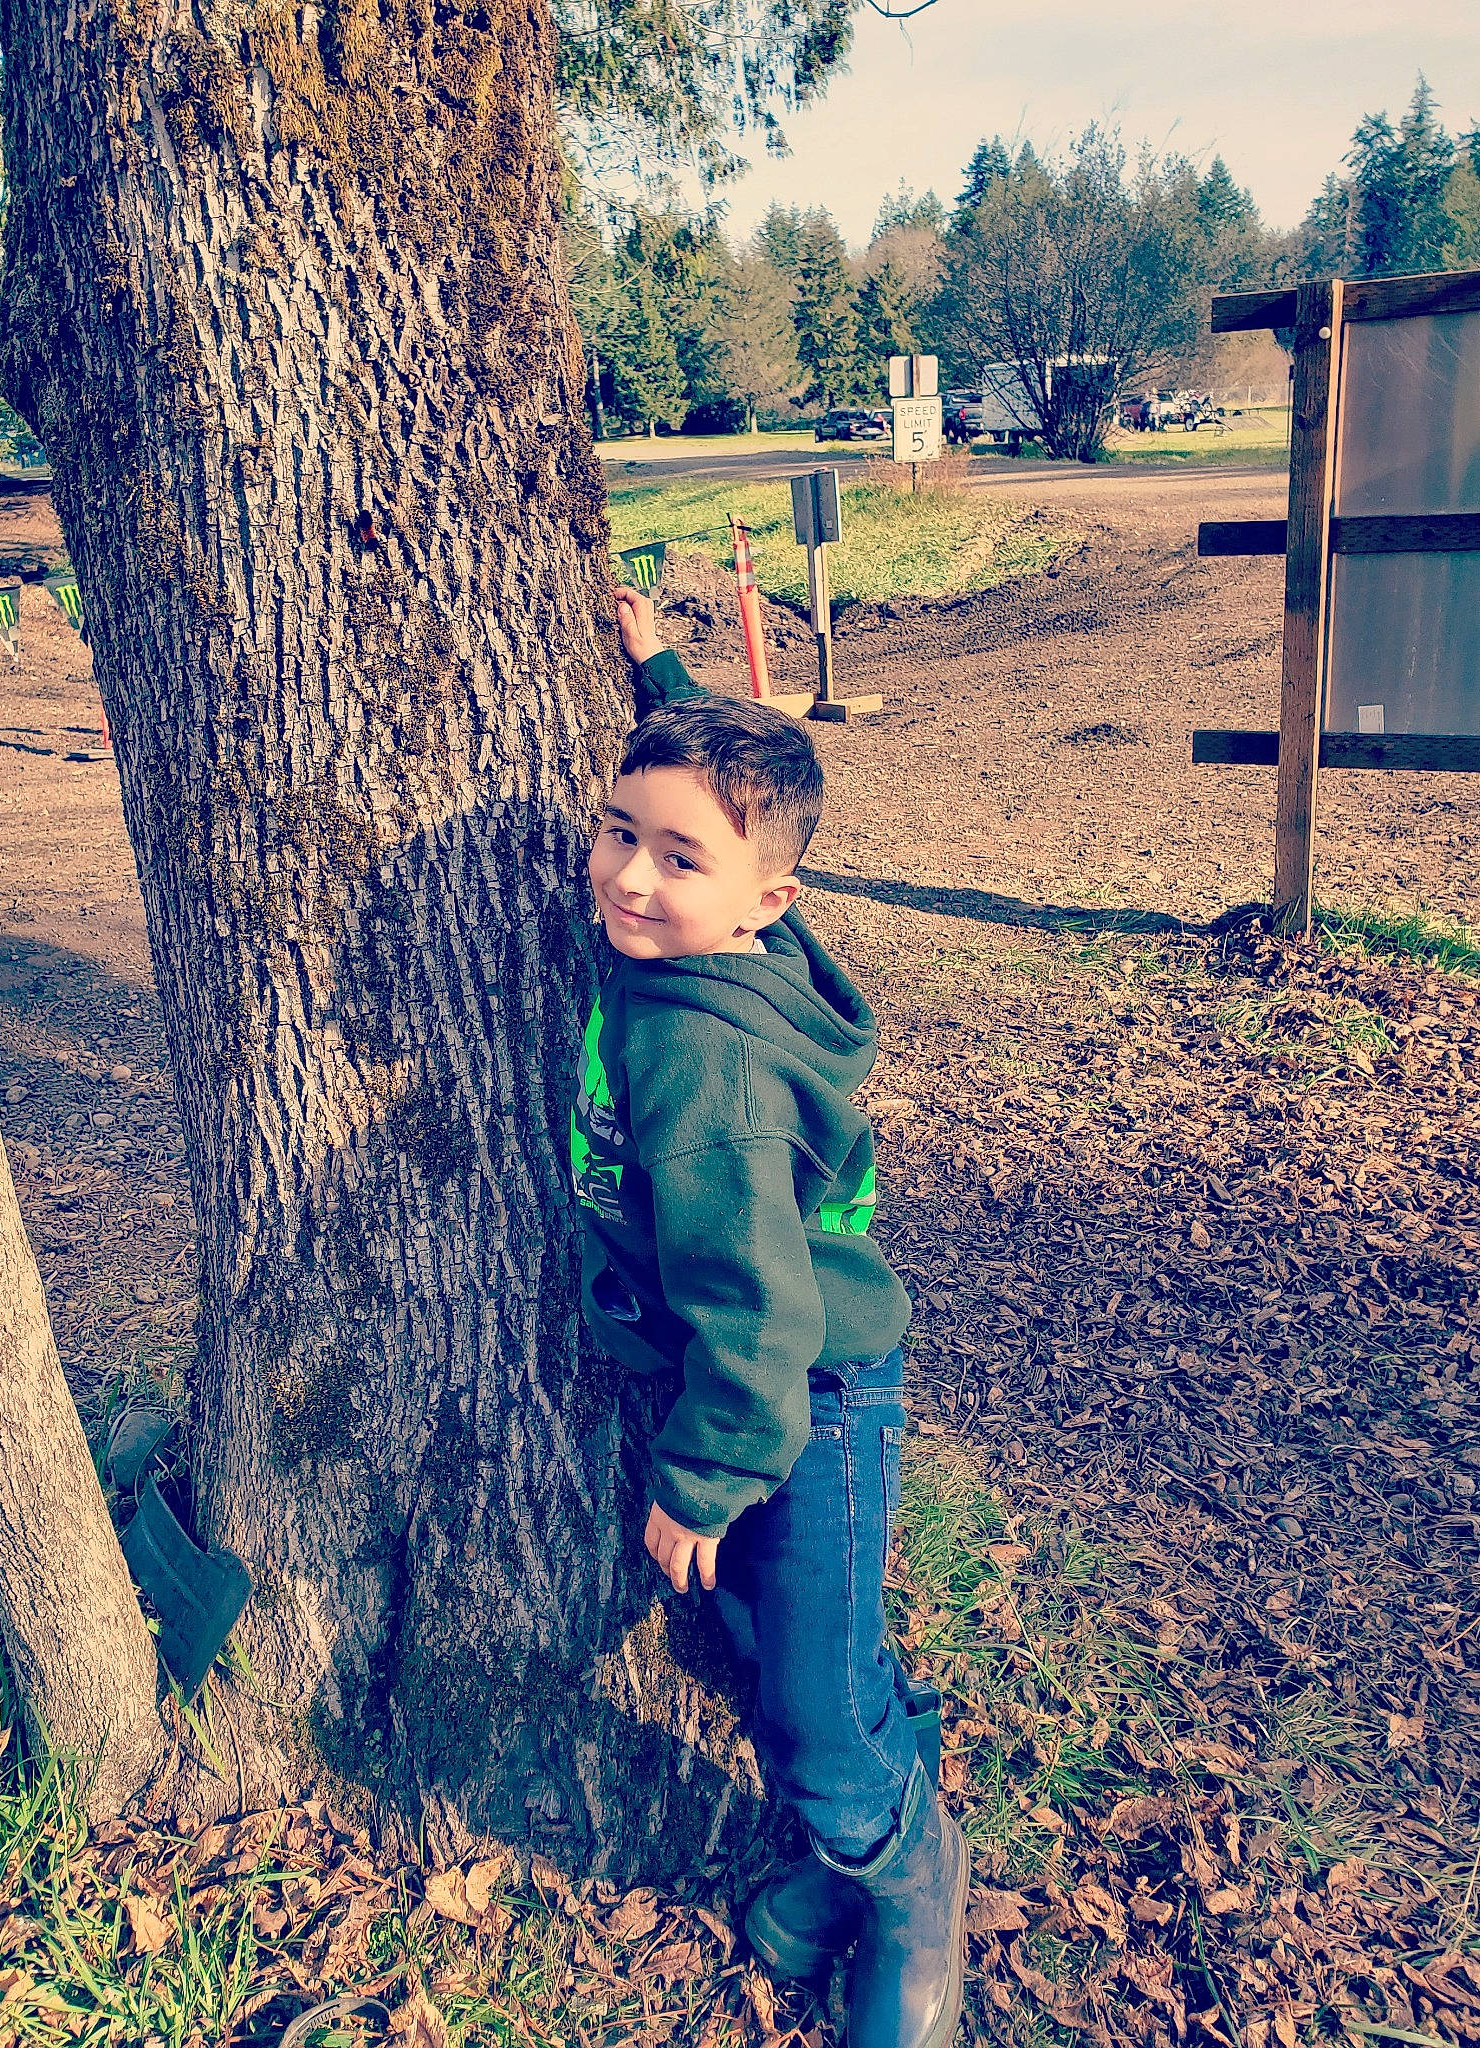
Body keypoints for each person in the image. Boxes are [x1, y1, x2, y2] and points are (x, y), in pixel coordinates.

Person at [571, 584, 970, 2048]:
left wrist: (702, 1477)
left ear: (766, 901)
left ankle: (905, 1885)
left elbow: (753, 1303)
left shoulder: (705, 1076)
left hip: (804, 1396)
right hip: (783, 1384)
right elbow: (713, 802)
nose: (628, 879)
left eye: (677, 861)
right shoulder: (742, 948)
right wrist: (658, 677)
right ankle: (851, 1832)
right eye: (619, 832)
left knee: (803, 1700)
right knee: (789, 1644)